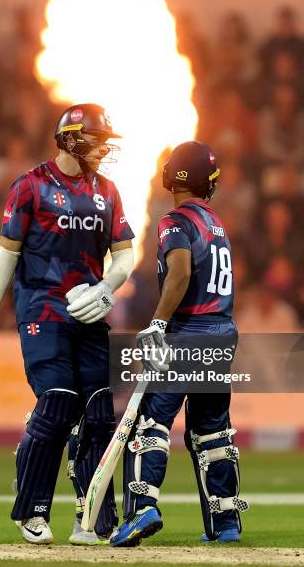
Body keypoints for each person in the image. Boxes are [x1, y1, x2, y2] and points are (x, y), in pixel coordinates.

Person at [0, 103, 134, 545]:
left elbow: (125, 253)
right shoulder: (30, 186)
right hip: (43, 311)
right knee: (59, 402)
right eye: (97, 141)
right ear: (72, 140)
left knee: (99, 410)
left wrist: (106, 288)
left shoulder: (109, 190)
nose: (104, 150)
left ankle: (92, 514)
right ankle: (32, 508)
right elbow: (8, 253)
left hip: (90, 313)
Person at [110, 141, 248, 547]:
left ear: (178, 176)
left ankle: (142, 509)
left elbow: (181, 273)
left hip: (189, 332)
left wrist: (157, 322)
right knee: (212, 433)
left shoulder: (175, 221)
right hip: (222, 334)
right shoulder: (216, 224)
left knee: (149, 423)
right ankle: (225, 523)